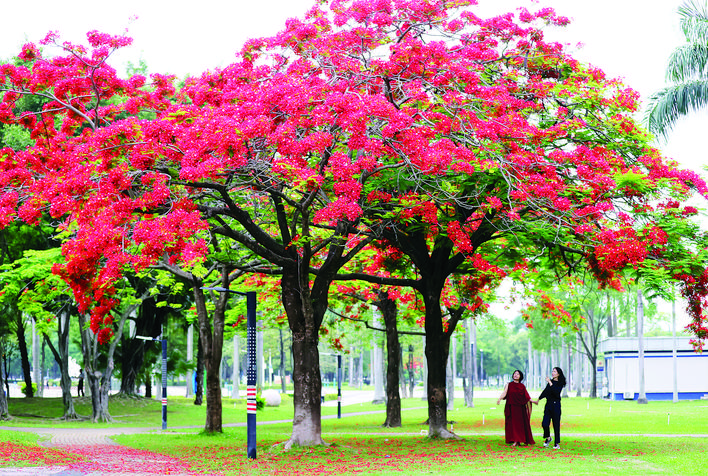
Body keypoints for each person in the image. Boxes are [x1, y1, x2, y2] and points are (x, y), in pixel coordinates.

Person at [497, 369, 535, 447]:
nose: (515, 375)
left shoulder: (522, 386)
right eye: (514, 373)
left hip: (520, 409)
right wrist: (500, 398)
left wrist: (533, 401)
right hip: (511, 407)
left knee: (519, 425)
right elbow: (505, 392)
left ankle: (518, 440)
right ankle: (514, 440)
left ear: (520, 376)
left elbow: (526, 396)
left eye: (517, 374)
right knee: (512, 424)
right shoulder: (509, 384)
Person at [532, 367, 566, 450]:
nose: (553, 373)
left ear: (558, 374)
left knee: (556, 424)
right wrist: (538, 399)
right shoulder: (550, 382)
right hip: (548, 405)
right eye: (552, 371)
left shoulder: (560, 383)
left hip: (556, 405)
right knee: (545, 423)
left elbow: (556, 392)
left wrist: (550, 382)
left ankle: (556, 443)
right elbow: (546, 391)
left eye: (555, 371)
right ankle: (548, 438)